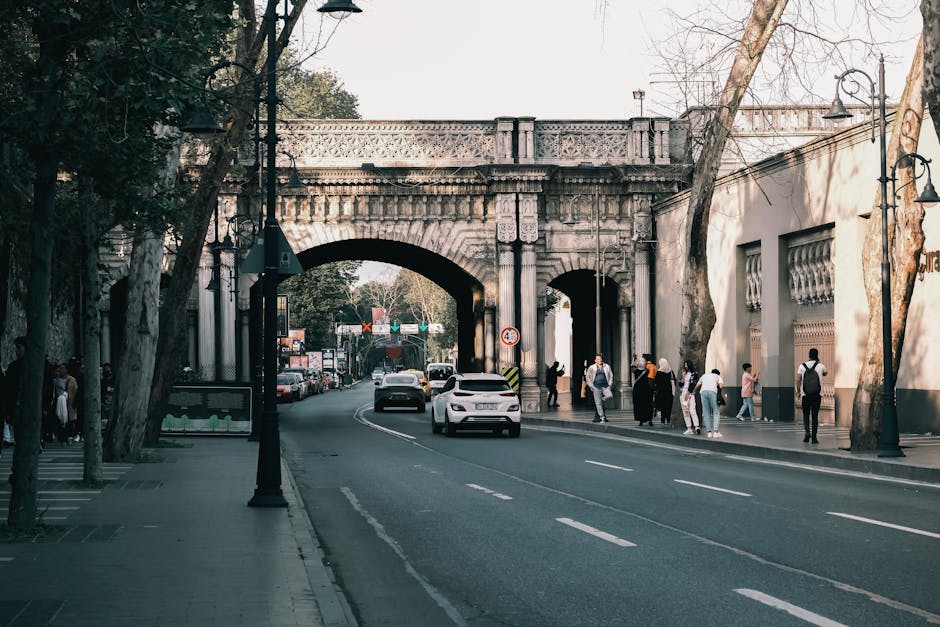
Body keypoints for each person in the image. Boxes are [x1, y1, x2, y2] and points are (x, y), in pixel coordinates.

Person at [796, 347, 828, 444]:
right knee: (815, 416)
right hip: (816, 394)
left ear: (809, 355)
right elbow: (825, 373)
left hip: (805, 394)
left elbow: (798, 379)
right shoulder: (821, 366)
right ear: (817, 355)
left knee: (806, 415)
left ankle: (807, 433)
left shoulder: (802, 366)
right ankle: (814, 437)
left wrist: (798, 391)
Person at [2, 336, 27, 451]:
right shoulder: (13, 367)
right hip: (17, 407)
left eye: (18, 347)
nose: (16, 351)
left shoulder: (35, 367)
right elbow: (8, 390)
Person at [695, 368, 724, 438]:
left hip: (703, 392)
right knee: (716, 411)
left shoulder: (704, 375)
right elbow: (721, 386)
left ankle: (709, 432)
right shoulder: (718, 376)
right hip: (712, 392)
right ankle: (716, 432)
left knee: (705, 412)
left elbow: (697, 386)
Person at [585, 353, 613, 423]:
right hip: (596, 387)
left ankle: (603, 399)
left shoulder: (606, 366)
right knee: (598, 403)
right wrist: (591, 386)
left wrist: (610, 384)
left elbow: (611, 376)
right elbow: (587, 377)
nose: (599, 360)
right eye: (597, 359)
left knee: (609, 395)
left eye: (600, 359)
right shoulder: (591, 367)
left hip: (605, 386)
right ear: (595, 360)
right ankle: (602, 418)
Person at [678, 359, 700, 435]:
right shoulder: (684, 373)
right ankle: (689, 428)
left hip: (690, 393)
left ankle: (697, 426)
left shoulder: (694, 373)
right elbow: (680, 384)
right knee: (685, 411)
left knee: (692, 409)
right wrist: (683, 378)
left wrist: (688, 392)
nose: (685, 366)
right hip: (682, 392)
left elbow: (693, 383)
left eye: (686, 365)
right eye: (685, 365)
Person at [631, 356, 653, 426]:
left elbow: (632, 366)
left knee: (639, 405)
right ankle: (649, 419)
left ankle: (641, 420)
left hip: (638, 390)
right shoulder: (647, 371)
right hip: (646, 389)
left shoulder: (636, 371)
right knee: (648, 404)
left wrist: (634, 359)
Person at [654, 358, 676, 424]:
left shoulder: (659, 372)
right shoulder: (670, 371)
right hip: (669, 391)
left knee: (662, 406)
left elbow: (656, 382)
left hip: (661, 392)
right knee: (668, 405)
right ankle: (668, 418)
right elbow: (674, 379)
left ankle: (663, 419)